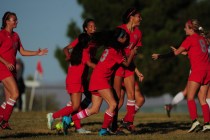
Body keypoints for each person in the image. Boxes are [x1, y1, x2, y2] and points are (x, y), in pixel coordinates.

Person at [69, 28, 137, 136]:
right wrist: (132, 53)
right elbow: (126, 64)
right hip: (100, 80)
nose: (126, 38)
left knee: (94, 109)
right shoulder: (115, 51)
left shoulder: (110, 48)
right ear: (117, 39)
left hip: (96, 79)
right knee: (114, 104)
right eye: (123, 36)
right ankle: (103, 130)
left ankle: (69, 120)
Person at [153, 19, 210, 132]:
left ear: (191, 28)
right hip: (207, 70)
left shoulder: (189, 39)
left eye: (185, 27)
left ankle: (195, 122)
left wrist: (160, 56)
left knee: (189, 97)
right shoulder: (202, 39)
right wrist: (185, 52)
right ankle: (207, 124)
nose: (184, 29)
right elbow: (197, 52)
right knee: (202, 99)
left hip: (197, 70)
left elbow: (175, 53)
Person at [0, 11, 48, 129]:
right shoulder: (1, 34)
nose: (17, 21)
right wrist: (6, 62)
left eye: (16, 19)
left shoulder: (16, 36)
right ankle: (4, 122)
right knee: (15, 93)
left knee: (9, 99)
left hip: (12, 70)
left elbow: (22, 51)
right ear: (7, 21)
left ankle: (2, 118)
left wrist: (37, 53)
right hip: (2, 68)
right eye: (14, 19)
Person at [47, 33, 96, 134]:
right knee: (75, 106)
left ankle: (77, 127)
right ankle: (53, 116)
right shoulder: (84, 52)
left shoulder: (76, 50)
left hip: (71, 79)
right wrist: (104, 68)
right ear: (87, 43)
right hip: (76, 81)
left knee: (76, 105)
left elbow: (66, 50)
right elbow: (90, 64)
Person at [111, 7, 144, 133]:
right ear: (131, 17)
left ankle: (128, 123)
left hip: (129, 67)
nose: (140, 19)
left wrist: (136, 70)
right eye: (138, 16)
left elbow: (133, 54)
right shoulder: (120, 30)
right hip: (118, 67)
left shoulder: (138, 33)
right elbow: (113, 50)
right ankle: (111, 125)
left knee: (132, 96)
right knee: (117, 99)